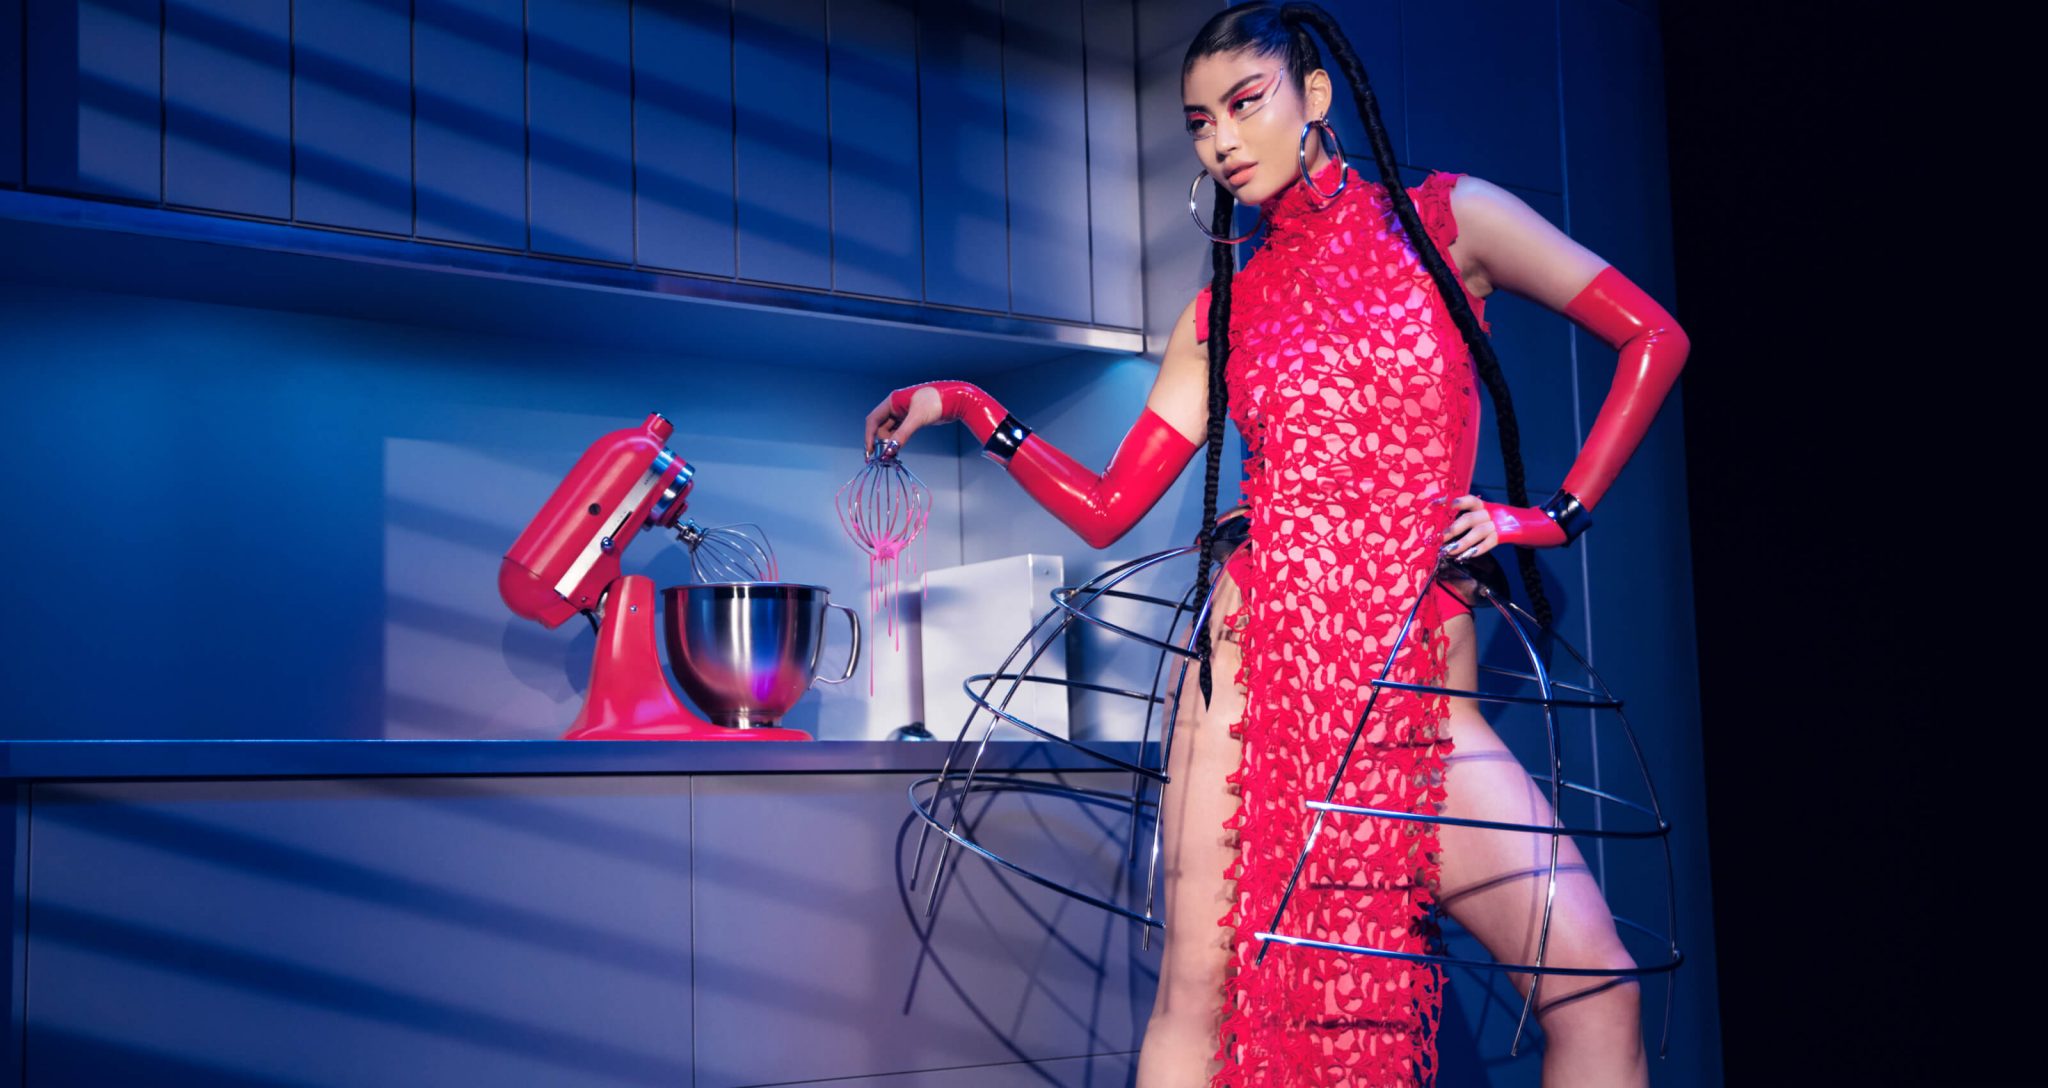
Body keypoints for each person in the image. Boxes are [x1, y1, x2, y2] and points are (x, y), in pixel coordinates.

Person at [862, 4, 1688, 1084]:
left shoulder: (1451, 224)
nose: (1221, 140)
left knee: (1597, 991)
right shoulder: (1221, 312)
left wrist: (1553, 514)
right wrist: (975, 408)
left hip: (1414, 687)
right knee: (1198, 1000)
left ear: (1315, 95)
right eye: (1199, 121)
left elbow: (1652, 334)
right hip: (1254, 682)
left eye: (1245, 103)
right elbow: (1110, 506)